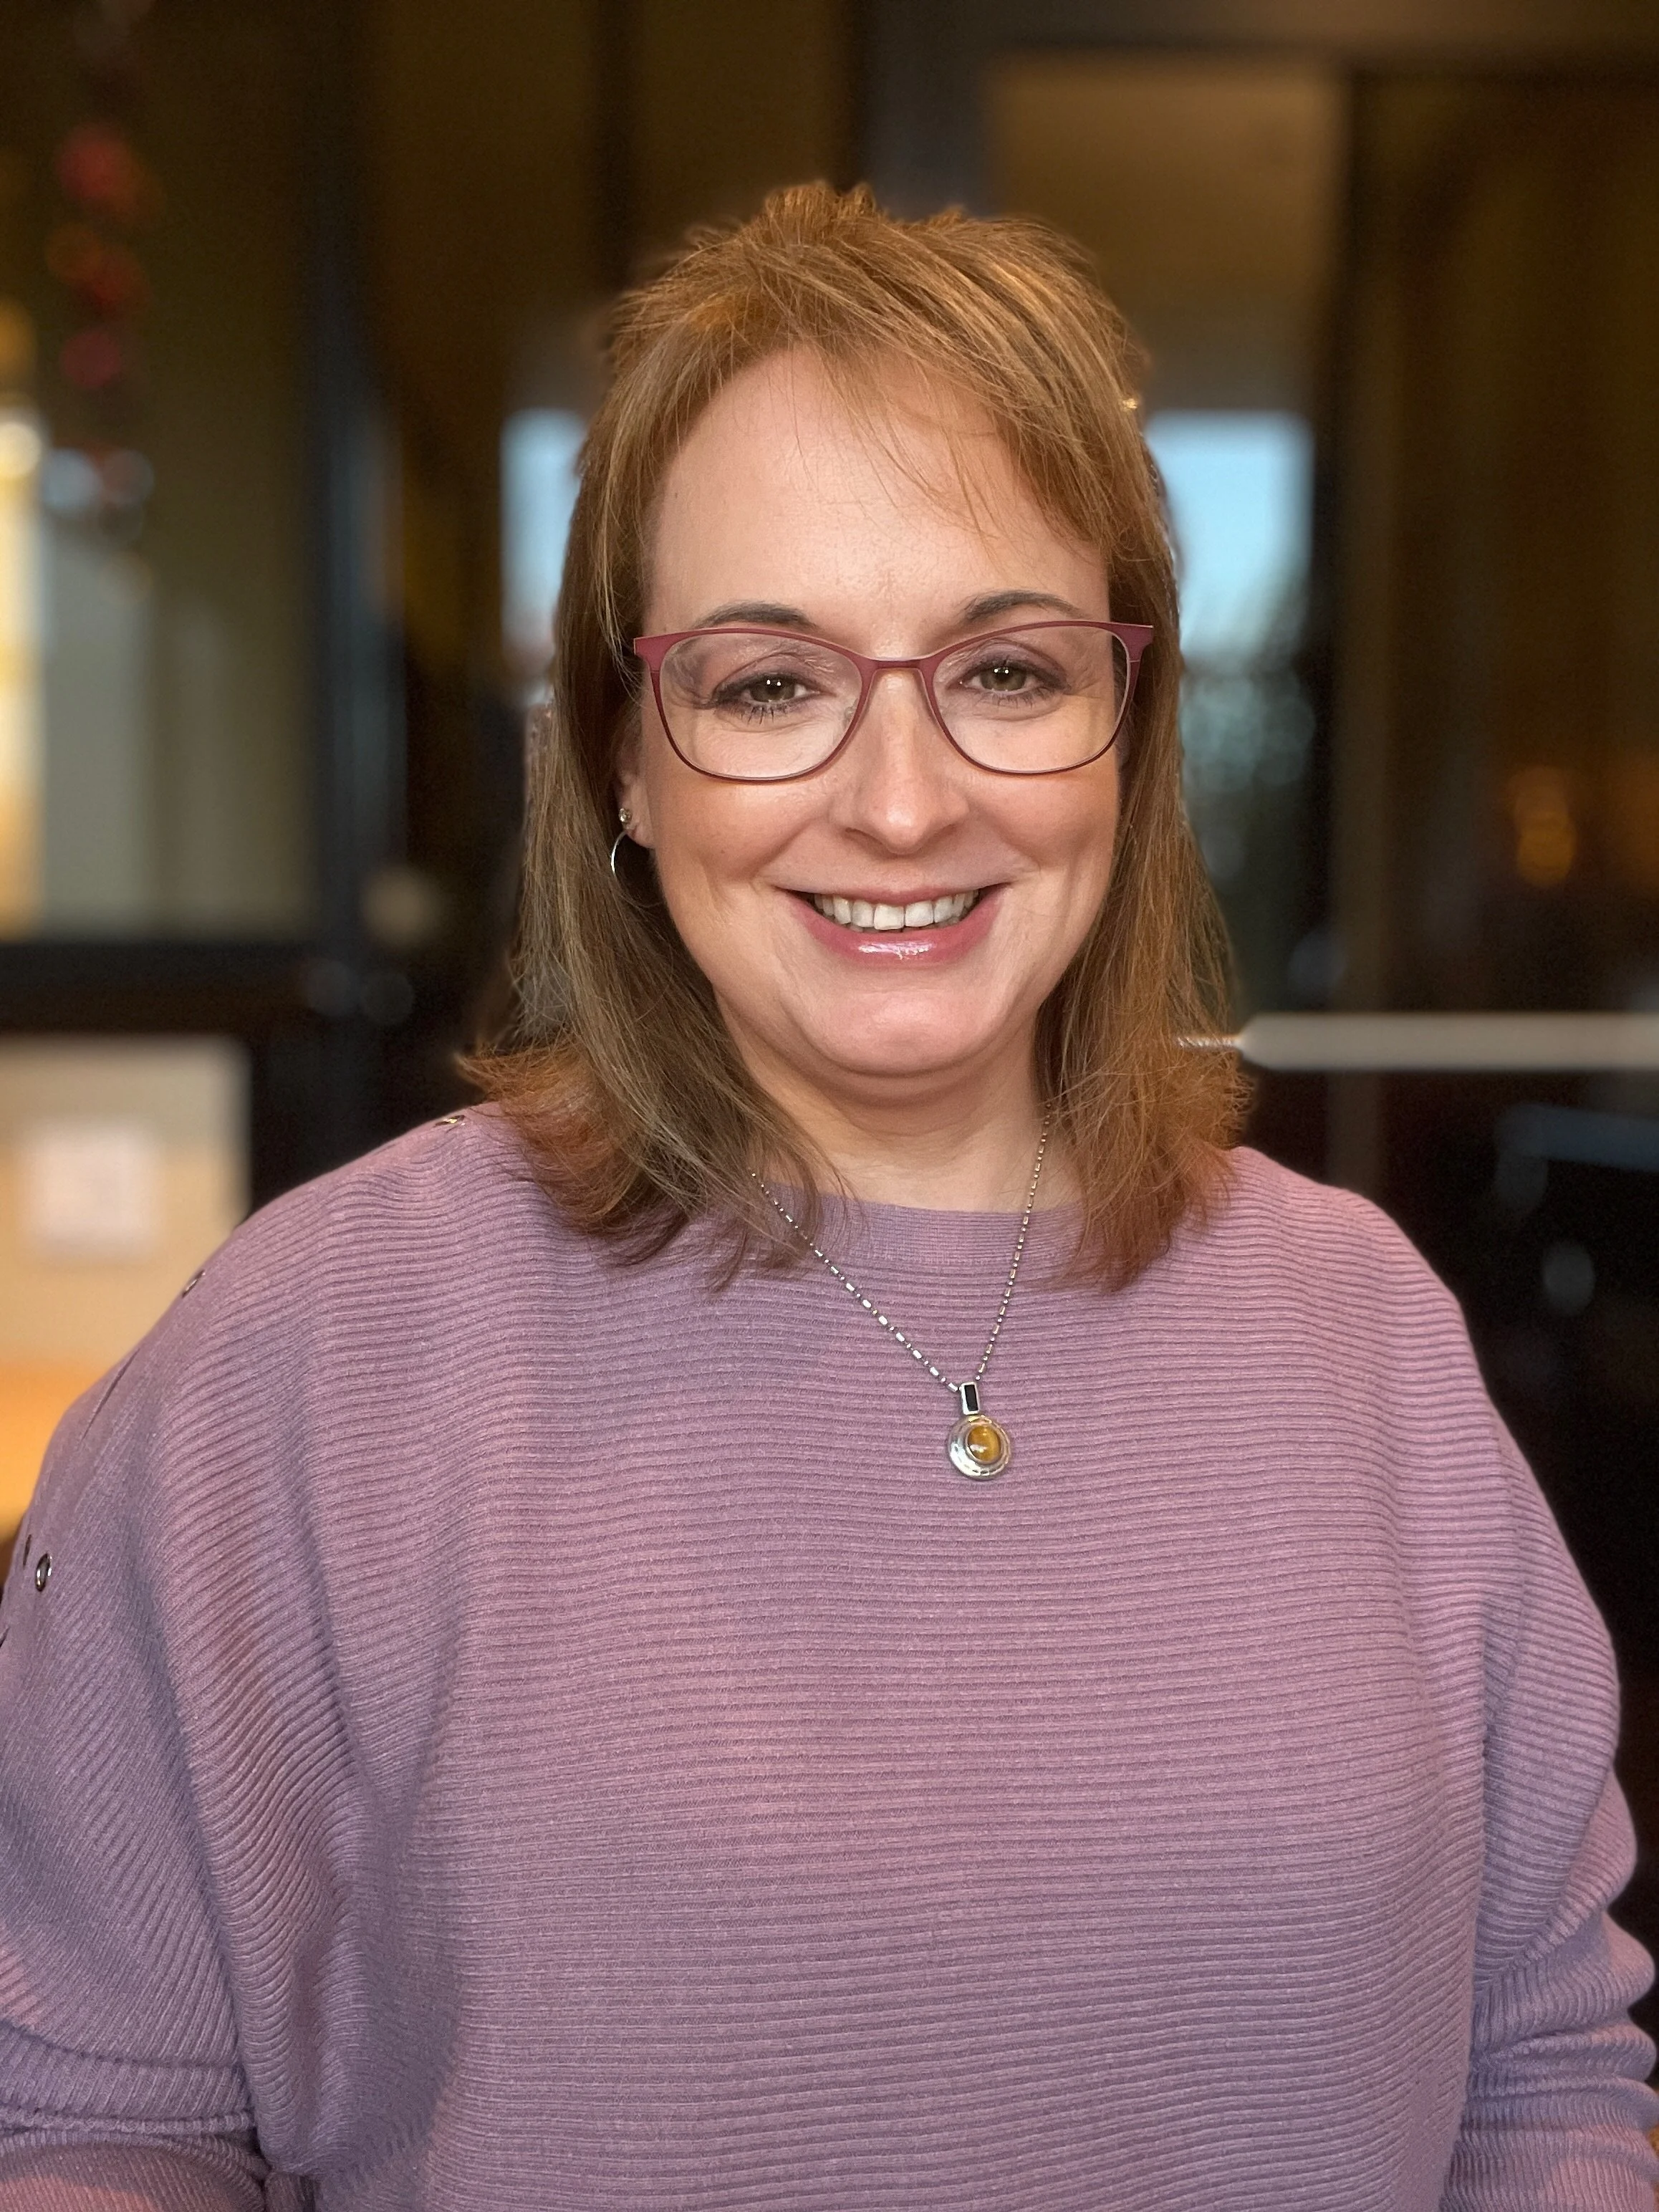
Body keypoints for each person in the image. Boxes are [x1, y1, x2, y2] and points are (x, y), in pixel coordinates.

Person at [0, 183, 1653, 2212]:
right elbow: (99, 2123)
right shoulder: (315, 1350)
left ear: (1122, 732)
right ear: (621, 753)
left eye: (1010, 670)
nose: (898, 799)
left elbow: (1544, 2076)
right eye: (768, 682)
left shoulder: (1358, 1325)